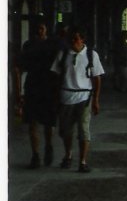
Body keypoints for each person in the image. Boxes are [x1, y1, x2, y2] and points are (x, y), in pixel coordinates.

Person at [50, 26, 104, 173]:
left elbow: (97, 78)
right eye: (71, 39)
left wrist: (96, 99)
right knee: (66, 131)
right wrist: (55, 97)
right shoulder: (63, 54)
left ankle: (82, 161)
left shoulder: (91, 55)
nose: (73, 41)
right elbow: (55, 75)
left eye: (76, 39)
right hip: (66, 96)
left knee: (83, 130)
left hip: (84, 97)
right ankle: (68, 155)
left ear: (83, 39)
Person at [15, 20, 61, 168]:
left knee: (48, 123)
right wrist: (19, 92)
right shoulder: (28, 45)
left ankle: (48, 145)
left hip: (48, 87)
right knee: (32, 123)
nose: (39, 31)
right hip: (33, 87)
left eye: (42, 28)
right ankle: (35, 155)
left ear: (46, 29)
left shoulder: (53, 45)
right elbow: (20, 67)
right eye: (38, 28)